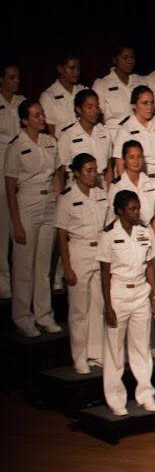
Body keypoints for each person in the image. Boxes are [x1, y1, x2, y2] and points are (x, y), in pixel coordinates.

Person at [98, 190, 155, 415]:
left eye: (138, 208)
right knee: (115, 351)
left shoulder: (145, 231)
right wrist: (108, 305)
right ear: (119, 211)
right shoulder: (108, 235)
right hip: (118, 294)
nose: (137, 212)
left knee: (141, 348)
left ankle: (146, 394)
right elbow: (105, 273)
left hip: (140, 293)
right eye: (132, 209)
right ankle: (116, 398)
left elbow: (150, 266)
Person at [5, 99, 62, 336]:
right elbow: (10, 187)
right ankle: (22, 316)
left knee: (43, 265)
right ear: (24, 120)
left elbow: (58, 174)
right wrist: (16, 223)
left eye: (42, 114)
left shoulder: (50, 141)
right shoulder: (17, 145)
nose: (42, 118)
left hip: (48, 201)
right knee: (24, 265)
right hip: (27, 203)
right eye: (36, 115)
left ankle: (44, 314)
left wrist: (58, 204)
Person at [55, 153, 108, 373]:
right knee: (79, 309)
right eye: (88, 170)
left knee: (99, 305)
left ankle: (95, 353)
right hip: (79, 251)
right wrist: (66, 266)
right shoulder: (67, 197)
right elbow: (61, 234)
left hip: (99, 250)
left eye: (95, 169)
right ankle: (79, 357)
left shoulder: (101, 194)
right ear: (76, 173)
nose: (93, 174)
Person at [111, 87, 155, 202]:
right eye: (145, 103)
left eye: (152, 103)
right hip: (141, 183)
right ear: (134, 105)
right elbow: (120, 162)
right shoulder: (126, 129)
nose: (150, 107)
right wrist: (128, 187)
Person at [0, 62, 26, 299]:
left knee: (19, 225)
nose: (15, 81)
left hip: (21, 167)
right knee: (3, 224)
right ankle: (3, 280)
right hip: (1, 167)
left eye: (17, 77)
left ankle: (18, 280)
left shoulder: (21, 103)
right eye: (11, 77)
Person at [55, 89, 111, 189]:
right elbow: (61, 172)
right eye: (89, 107)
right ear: (79, 109)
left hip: (101, 187)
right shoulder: (68, 135)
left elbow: (109, 167)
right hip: (76, 187)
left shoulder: (105, 132)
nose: (94, 111)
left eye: (96, 107)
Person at [107, 140, 155, 233]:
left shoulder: (150, 183)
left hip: (148, 234)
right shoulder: (117, 185)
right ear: (124, 159)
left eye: (139, 157)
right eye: (131, 157)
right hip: (126, 234)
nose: (136, 161)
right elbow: (114, 217)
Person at [91, 42, 143, 129]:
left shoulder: (140, 81)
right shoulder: (102, 84)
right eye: (125, 58)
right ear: (115, 59)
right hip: (114, 134)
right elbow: (96, 116)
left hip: (139, 133)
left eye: (132, 57)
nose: (130, 61)